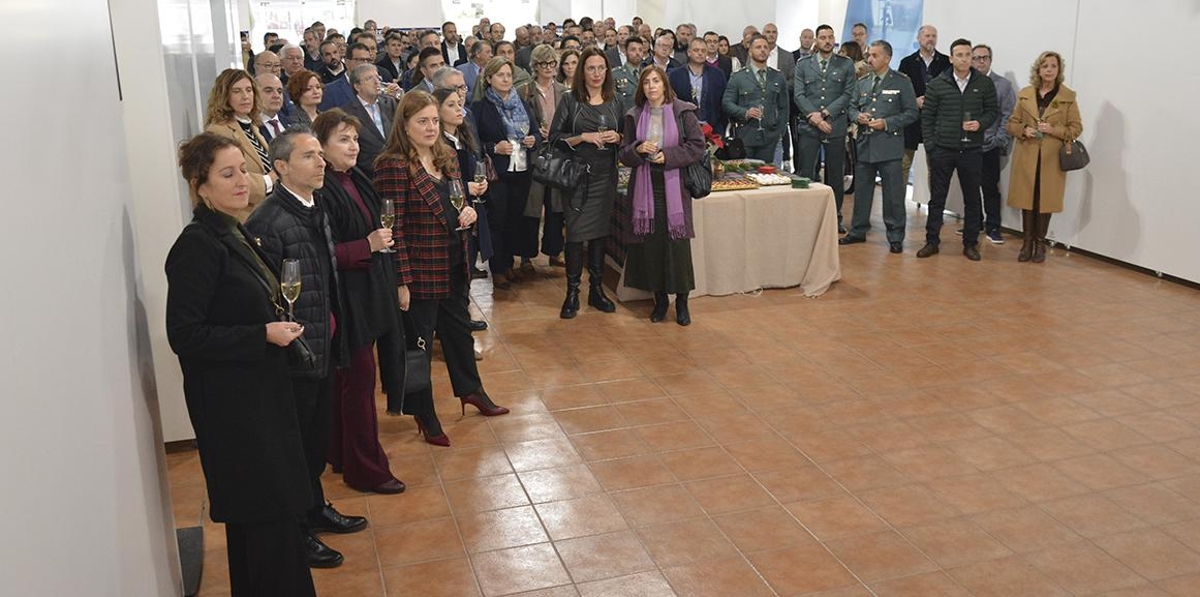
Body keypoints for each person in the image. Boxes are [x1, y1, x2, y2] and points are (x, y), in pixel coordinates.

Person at [167, 133, 316, 596]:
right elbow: (185, 335)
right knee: (266, 520)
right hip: (234, 410)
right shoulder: (197, 244)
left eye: (242, 172)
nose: (240, 182)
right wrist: (262, 335)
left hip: (258, 395)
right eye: (226, 174)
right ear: (201, 186)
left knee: (267, 524)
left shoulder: (234, 228)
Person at [244, 129, 369, 569]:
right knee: (294, 444)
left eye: (320, 155)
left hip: (323, 341)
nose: (321, 163)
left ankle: (314, 506)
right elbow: (263, 295)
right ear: (280, 168)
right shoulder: (267, 220)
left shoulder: (315, 207)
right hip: (294, 352)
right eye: (308, 156)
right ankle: (296, 527)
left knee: (315, 438)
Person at [373, 91, 511, 423]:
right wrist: (401, 281)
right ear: (404, 126)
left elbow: (457, 201)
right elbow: (395, 230)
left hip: (453, 261)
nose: (431, 127)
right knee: (418, 344)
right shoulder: (392, 165)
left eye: (435, 120)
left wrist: (468, 212)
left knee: (460, 333)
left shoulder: (445, 154)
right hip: (419, 270)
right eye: (422, 121)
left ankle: (471, 390)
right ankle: (425, 414)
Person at [309, 110, 407, 493]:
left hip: (366, 291)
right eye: (343, 140)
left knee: (348, 380)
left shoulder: (353, 177)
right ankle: (367, 469)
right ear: (322, 148)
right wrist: (367, 244)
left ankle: (341, 453)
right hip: (345, 298)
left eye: (355, 138)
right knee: (358, 379)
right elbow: (323, 251)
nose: (353, 146)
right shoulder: (322, 190)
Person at [619, 66, 707, 325]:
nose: (651, 86)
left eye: (656, 81)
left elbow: (697, 147)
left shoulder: (683, 111)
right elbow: (624, 153)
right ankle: (659, 302)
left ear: (665, 84)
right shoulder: (634, 115)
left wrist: (668, 156)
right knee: (652, 248)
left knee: (677, 248)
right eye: (646, 82)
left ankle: (681, 303)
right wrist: (637, 148)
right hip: (645, 188)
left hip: (675, 186)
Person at [549, 47, 624, 319]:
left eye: (601, 68)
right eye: (591, 68)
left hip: (606, 175)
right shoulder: (570, 100)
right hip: (578, 176)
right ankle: (572, 293)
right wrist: (583, 137)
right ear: (582, 71)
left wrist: (618, 137)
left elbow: (627, 136)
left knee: (600, 234)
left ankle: (596, 290)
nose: (596, 74)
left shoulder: (615, 100)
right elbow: (554, 138)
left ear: (607, 71)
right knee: (577, 234)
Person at [916, 38, 998, 261]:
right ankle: (931, 241)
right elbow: (927, 118)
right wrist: (932, 147)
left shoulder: (984, 83)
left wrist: (980, 123)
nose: (964, 58)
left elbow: (993, 111)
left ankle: (970, 243)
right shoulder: (937, 83)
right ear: (951, 58)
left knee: (972, 198)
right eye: (959, 55)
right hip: (943, 149)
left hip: (971, 150)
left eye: (968, 54)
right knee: (937, 199)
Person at [839, 40, 919, 253]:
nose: (870, 59)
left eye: (874, 55)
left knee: (893, 195)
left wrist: (887, 123)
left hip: (890, 146)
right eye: (869, 55)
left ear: (887, 58)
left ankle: (895, 235)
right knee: (863, 192)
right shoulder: (863, 82)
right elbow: (852, 108)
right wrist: (858, 117)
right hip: (865, 144)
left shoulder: (901, 82)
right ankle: (858, 231)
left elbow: (912, 112)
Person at [1006, 51, 1082, 263]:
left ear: (1059, 70)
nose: (1049, 70)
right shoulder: (1026, 94)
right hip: (1027, 156)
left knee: (1044, 201)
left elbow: (1076, 128)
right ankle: (1026, 242)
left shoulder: (1067, 98)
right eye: (1045, 66)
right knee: (1026, 201)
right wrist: (1024, 130)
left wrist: (1053, 129)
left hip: (1051, 160)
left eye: (1053, 66)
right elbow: (1011, 123)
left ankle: (1040, 243)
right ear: (1038, 69)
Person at [473, 57, 542, 289]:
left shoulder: (522, 103)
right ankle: (498, 268)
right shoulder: (481, 107)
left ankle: (509, 264)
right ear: (489, 79)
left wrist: (534, 139)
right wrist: (494, 147)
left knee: (515, 220)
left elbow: (536, 132)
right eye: (500, 75)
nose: (505, 79)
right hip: (498, 173)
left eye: (508, 75)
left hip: (521, 169)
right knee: (497, 221)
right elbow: (474, 143)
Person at [794, 25, 857, 232]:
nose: (827, 41)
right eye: (823, 37)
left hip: (835, 127)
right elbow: (799, 95)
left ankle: (834, 217)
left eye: (830, 37)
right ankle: (805, 216)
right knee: (805, 173)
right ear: (816, 41)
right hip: (810, 127)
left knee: (835, 176)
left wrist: (825, 114)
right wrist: (814, 117)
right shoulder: (803, 64)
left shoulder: (846, 64)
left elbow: (848, 94)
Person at [434, 87, 494, 281]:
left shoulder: (464, 136)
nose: (459, 109)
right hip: (450, 211)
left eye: (460, 104)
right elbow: (438, 181)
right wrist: (465, 187)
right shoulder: (437, 143)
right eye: (451, 105)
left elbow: (476, 166)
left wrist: (482, 183)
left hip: (472, 208)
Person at [519, 44, 569, 268]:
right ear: (535, 66)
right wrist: (534, 133)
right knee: (531, 205)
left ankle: (554, 251)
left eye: (552, 63)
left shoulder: (563, 91)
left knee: (556, 205)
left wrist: (558, 133)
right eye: (543, 64)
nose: (548, 68)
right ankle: (526, 255)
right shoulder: (524, 90)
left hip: (557, 152)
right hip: (534, 153)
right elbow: (517, 122)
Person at [204, 68, 274, 220]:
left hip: (265, 211)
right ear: (224, 96)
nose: (245, 96)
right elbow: (227, 178)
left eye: (249, 90)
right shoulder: (218, 131)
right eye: (237, 91)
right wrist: (270, 179)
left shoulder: (252, 127)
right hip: (244, 216)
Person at [969, 44, 1016, 244]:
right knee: (970, 187)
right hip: (968, 145)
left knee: (989, 188)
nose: (981, 61)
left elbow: (1008, 115)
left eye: (984, 57)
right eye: (977, 57)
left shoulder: (1003, 85)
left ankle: (993, 226)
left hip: (989, 146)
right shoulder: (965, 82)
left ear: (990, 60)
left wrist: (999, 140)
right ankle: (975, 223)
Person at [898, 25, 951, 189]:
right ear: (919, 38)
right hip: (911, 122)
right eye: (927, 35)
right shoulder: (906, 63)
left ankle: (935, 210)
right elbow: (899, 92)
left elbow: (950, 90)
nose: (931, 39)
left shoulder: (946, 62)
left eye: (934, 36)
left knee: (936, 169)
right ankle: (897, 210)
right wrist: (914, 101)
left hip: (936, 123)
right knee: (903, 166)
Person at [723, 34, 789, 164]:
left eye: (766, 47)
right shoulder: (738, 77)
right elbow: (727, 103)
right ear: (750, 51)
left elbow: (784, 107)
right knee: (746, 177)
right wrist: (745, 113)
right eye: (758, 47)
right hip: (745, 136)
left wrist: (779, 132)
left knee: (767, 176)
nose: (763, 50)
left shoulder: (778, 76)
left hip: (769, 137)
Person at [341, 63, 396, 177]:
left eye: (378, 77)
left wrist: (401, 96)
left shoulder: (391, 102)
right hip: (368, 173)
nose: (377, 82)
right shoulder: (347, 113)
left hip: (397, 168)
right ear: (357, 86)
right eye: (369, 78)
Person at [668, 38, 727, 134]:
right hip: (683, 129)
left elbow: (724, 102)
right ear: (689, 53)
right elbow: (670, 101)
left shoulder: (717, 74)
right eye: (696, 50)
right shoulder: (675, 75)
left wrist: (721, 126)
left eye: (703, 51)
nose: (700, 53)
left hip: (713, 129)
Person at [612, 36, 647, 110]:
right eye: (633, 50)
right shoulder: (615, 74)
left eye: (640, 50)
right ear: (625, 51)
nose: (637, 53)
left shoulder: (647, 73)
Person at [256, 72, 288, 142]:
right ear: (255, 94)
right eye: (268, 91)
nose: (276, 96)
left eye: (279, 91)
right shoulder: (251, 127)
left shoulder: (291, 122)